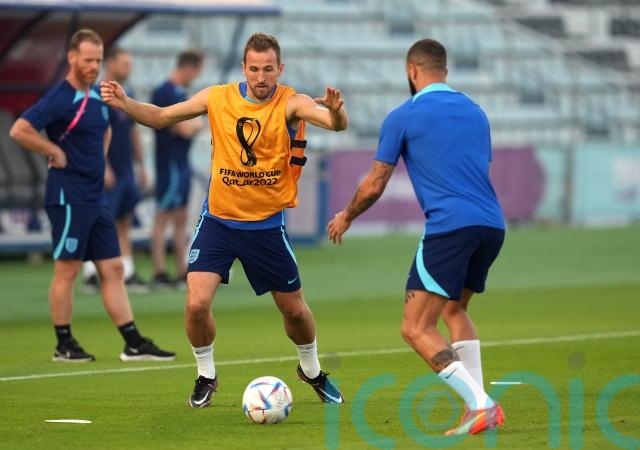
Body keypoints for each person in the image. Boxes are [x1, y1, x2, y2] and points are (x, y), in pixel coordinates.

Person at [101, 32, 347, 407]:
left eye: (269, 69)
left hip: (266, 227)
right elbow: (161, 117)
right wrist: (125, 103)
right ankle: (206, 375)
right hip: (218, 222)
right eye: (254, 69)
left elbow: (334, 123)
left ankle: (311, 370)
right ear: (243, 68)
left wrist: (337, 111)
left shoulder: (291, 102)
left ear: (280, 69)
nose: (261, 77)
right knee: (196, 304)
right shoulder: (217, 97)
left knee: (295, 311)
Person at [327, 38, 506, 436]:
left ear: (411, 71)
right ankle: (476, 405)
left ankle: (481, 405)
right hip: (492, 224)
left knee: (415, 328)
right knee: (454, 310)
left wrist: (347, 215)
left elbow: (375, 182)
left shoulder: (404, 115)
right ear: (446, 71)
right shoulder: (476, 112)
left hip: (450, 227)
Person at [9, 29, 175, 363]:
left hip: (96, 196)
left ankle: (133, 342)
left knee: (113, 268)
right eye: (87, 60)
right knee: (68, 270)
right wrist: (53, 149)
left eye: (98, 60)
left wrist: (101, 162)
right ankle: (64, 344)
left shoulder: (98, 96)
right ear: (71, 58)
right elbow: (20, 130)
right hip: (68, 196)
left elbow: (106, 129)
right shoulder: (60, 97)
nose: (93, 66)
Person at [83, 47, 149, 293]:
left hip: (126, 168)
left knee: (124, 219)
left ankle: (127, 271)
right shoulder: (96, 93)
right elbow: (93, 132)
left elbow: (133, 132)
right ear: (110, 63)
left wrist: (141, 165)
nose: (128, 69)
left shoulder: (127, 93)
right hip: (106, 169)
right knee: (100, 219)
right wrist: (103, 165)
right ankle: (91, 273)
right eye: (124, 63)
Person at [150, 50, 205, 289]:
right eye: (197, 71)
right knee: (163, 216)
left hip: (182, 162)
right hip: (169, 163)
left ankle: (182, 269)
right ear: (189, 68)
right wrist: (193, 125)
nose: (197, 76)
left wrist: (193, 125)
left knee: (181, 216)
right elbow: (184, 129)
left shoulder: (181, 93)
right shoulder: (165, 92)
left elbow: (193, 124)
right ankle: (159, 271)